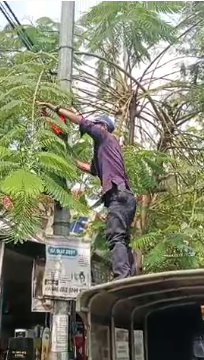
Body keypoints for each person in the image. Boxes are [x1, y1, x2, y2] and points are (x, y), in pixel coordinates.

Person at [37, 102, 137, 280]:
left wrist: (56, 108)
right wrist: (68, 159)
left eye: (97, 124)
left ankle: (122, 276)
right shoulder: (105, 150)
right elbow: (91, 168)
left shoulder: (105, 136)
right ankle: (130, 276)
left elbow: (83, 122)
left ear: (103, 126)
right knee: (122, 239)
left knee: (115, 237)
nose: (94, 128)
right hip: (125, 198)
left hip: (118, 195)